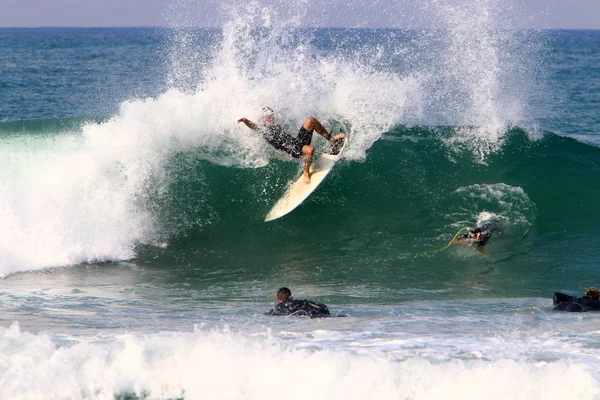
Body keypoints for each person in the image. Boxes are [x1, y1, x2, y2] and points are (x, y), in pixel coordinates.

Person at [237, 108, 345, 184]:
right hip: (293, 150)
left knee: (311, 121)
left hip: (297, 142)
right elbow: (254, 127)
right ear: (263, 118)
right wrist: (246, 121)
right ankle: (306, 172)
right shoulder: (264, 129)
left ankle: (331, 139)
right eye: (267, 116)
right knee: (310, 150)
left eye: (271, 115)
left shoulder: (276, 125)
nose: (270, 117)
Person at [266, 287, 331, 318]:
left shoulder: (277, 308)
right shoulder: (302, 302)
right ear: (291, 297)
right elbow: (323, 306)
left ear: (278, 300)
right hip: (312, 313)